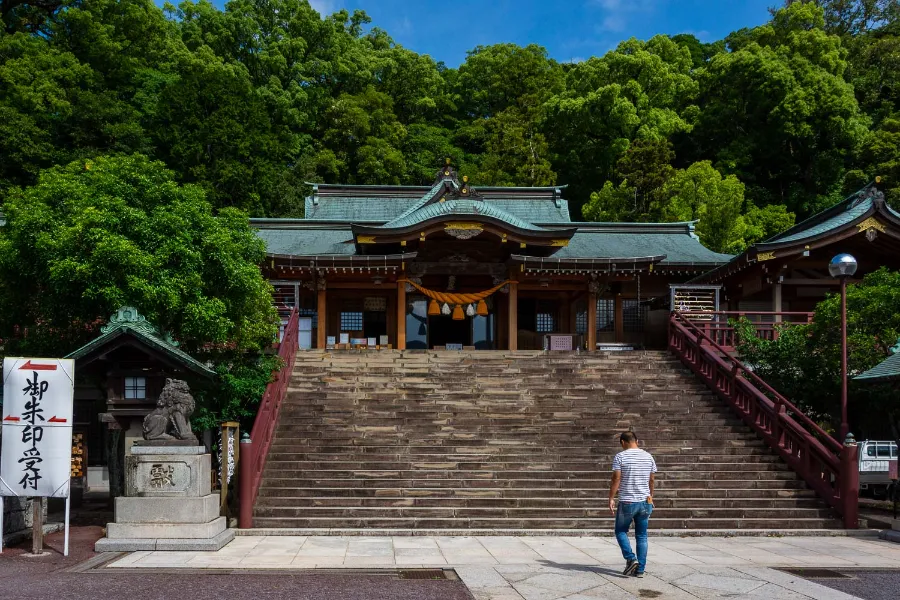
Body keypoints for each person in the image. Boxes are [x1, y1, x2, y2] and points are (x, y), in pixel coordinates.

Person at [609, 431, 657, 577]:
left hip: (628, 501)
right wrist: (651, 497)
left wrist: (611, 497)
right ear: (637, 440)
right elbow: (652, 480)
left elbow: (616, 478)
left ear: (623, 442)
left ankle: (631, 559)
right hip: (645, 501)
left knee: (620, 531)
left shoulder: (620, 456)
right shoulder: (648, 456)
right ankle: (640, 570)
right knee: (642, 535)